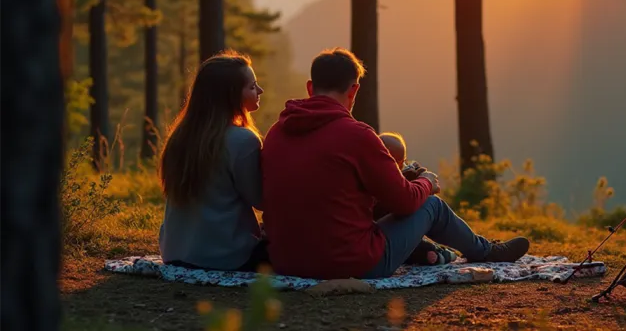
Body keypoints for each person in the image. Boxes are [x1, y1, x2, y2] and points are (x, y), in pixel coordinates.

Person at [261, 47, 530, 280]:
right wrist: (426, 182)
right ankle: (486, 252)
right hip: (350, 264)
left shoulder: (276, 133)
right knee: (431, 206)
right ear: (353, 90)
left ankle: (423, 250)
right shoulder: (357, 135)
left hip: (286, 263)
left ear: (310, 87)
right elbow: (405, 202)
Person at [158, 50, 268, 272]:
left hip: (174, 253)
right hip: (228, 258)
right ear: (231, 95)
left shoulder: (180, 136)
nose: (260, 90)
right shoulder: (242, 140)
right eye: (252, 86)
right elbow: (260, 200)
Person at [377, 132, 456, 266]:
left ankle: (434, 252)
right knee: (412, 243)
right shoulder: (379, 179)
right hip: (387, 233)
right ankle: (435, 252)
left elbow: (419, 171)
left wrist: (422, 178)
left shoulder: (408, 172)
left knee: (409, 243)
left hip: (388, 232)